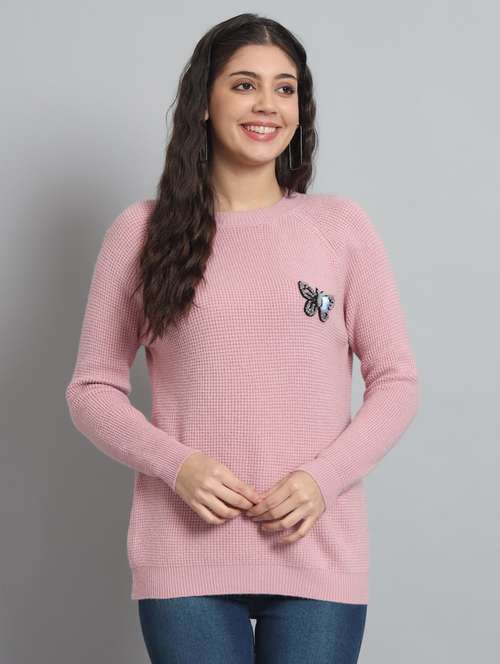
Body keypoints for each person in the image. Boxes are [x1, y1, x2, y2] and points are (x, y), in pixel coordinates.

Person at [65, 12, 420, 664]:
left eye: (285, 88)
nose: (267, 105)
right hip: (184, 551)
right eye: (245, 85)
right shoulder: (141, 231)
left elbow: (397, 381)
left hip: (317, 546)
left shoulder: (340, 228)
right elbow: (91, 388)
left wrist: (323, 479)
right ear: (204, 101)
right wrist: (178, 466)